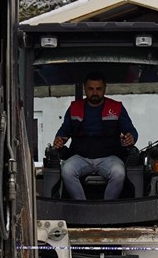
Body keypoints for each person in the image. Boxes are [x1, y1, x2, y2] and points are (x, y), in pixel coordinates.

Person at [52, 72, 138, 200]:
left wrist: (131, 137)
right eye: (91, 89)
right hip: (80, 157)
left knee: (119, 173)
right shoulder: (74, 108)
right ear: (85, 89)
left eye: (98, 89)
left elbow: (131, 131)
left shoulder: (116, 107)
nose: (95, 92)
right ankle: (82, 206)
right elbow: (64, 130)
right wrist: (59, 139)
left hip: (109, 157)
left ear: (105, 88)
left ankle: (107, 207)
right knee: (67, 170)